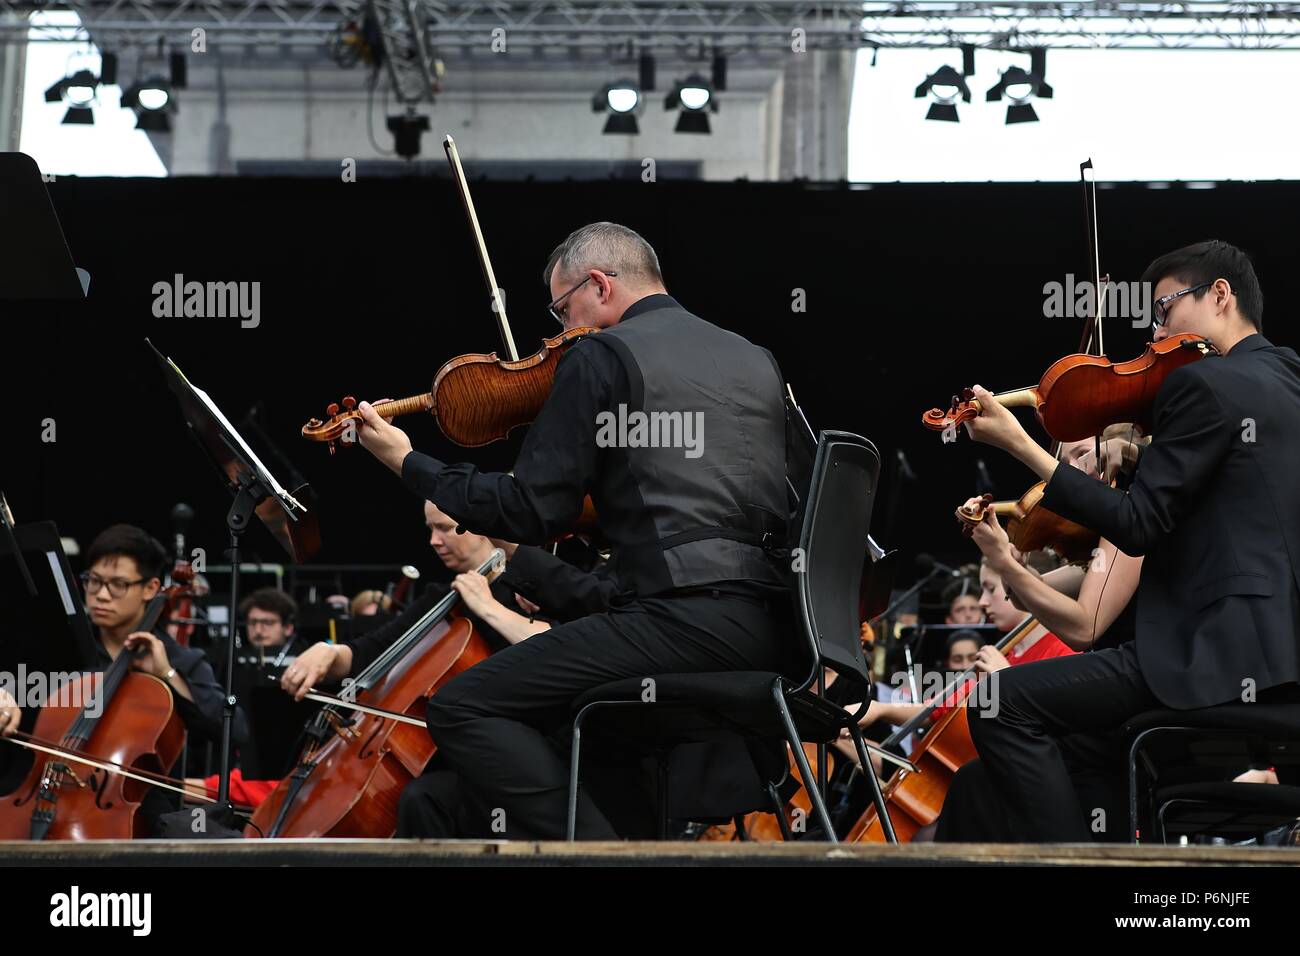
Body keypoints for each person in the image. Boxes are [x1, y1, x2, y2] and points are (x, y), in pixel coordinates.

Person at [352, 222, 795, 839]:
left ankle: (602, 860)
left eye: (564, 310)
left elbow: (532, 510)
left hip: (682, 624)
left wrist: (407, 461)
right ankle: (637, 848)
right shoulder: (757, 359)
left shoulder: (601, 355)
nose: (561, 332)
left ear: (600, 285)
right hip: (780, 636)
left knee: (463, 705)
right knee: (590, 729)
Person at [960, 239, 1300, 841]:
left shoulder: (1204, 387)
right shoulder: (1288, 377)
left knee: (998, 705)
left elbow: (1140, 523)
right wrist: (1145, 454)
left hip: (1214, 657)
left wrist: (1020, 445)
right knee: (1088, 743)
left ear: (1220, 296)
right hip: (1283, 663)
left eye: (1165, 311)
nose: (1157, 336)